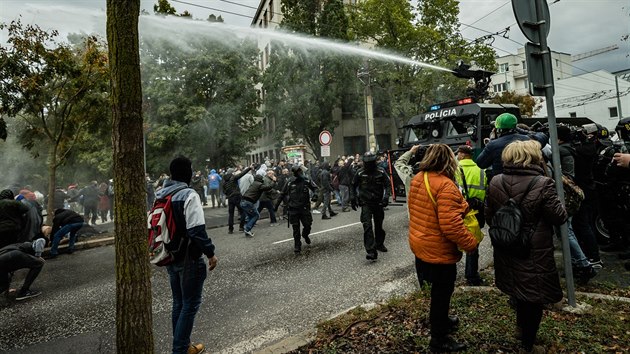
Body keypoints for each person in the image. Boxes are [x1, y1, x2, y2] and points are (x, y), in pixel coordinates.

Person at [485, 140, 567, 354]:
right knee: (534, 297)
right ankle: (528, 345)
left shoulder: (495, 181)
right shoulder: (543, 183)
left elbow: (489, 215)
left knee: (519, 291)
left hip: (507, 245)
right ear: (533, 157)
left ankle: (521, 331)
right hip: (533, 249)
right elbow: (559, 217)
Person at [407, 144, 478, 352]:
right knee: (441, 294)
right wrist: (470, 244)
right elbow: (451, 226)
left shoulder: (419, 178)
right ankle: (439, 339)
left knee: (436, 292)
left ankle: (443, 320)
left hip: (420, 243)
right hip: (438, 249)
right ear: (448, 160)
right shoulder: (445, 185)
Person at [159, 156, 218, 354]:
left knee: (178, 303)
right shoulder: (188, 194)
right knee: (190, 304)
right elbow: (196, 230)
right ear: (188, 172)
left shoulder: (161, 194)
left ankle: (182, 346)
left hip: (170, 255)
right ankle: (180, 350)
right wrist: (210, 253)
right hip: (189, 258)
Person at [556, 126, 597, 283]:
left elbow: (564, 174)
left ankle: (583, 264)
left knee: (566, 230)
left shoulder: (561, 151)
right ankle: (580, 262)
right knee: (572, 229)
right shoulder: (574, 148)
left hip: (566, 194)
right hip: (578, 192)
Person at [476, 113, 548, 180]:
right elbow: (542, 136)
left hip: (503, 183)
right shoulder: (529, 140)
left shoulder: (493, 145)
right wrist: (519, 130)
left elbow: (480, 163)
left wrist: (491, 140)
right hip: (528, 180)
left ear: (498, 130)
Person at [455, 145, 487, 286]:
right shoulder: (481, 171)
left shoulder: (454, 170)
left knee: (452, 242)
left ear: (461, 155)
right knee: (473, 244)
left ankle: (451, 274)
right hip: (476, 212)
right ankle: (472, 275)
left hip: (459, 211)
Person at [350, 151, 391, 261]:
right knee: (367, 226)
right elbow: (353, 186)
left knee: (378, 225)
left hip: (378, 203)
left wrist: (386, 197)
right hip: (365, 203)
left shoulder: (381, 172)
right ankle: (371, 251)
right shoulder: (360, 173)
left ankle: (379, 243)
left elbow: (388, 185)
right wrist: (353, 198)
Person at [276, 165, 318, 253]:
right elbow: (282, 194)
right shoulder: (289, 182)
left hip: (304, 208)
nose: (300, 173)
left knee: (307, 225)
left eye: (300, 171)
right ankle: (297, 245)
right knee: (296, 229)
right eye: (298, 172)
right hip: (293, 209)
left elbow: (315, 188)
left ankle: (305, 235)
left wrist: (315, 195)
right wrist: (276, 206)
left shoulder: (306, 180)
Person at [240, 173, 275, 237]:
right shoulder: (259, 185)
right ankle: (247, 229)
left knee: (250, 216)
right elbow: (268, 187)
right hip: (249, 202)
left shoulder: (253, 183)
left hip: (243, 201)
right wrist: (273, 181)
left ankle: (247, 229)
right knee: (256, 215)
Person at [223, 165, 253, 234]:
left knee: (231, 214)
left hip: (230, 198)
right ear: (231, 173)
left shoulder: (224, 182)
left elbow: (224, 191)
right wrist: (249, 168)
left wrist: (228, 195)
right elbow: (242, 174)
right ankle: (241, 227)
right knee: (242, 211)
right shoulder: (233, 178)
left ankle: (230, 229)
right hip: (237, 196)